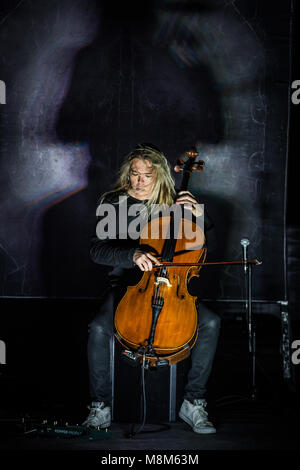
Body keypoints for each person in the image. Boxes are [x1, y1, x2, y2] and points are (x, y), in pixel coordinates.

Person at [83, 144, 220, 434]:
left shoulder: (174, 202)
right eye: (135, 174)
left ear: (160, 176)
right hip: (129, 288)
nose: (140, 182)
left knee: (210, 322)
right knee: (98, 328)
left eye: (148, 176)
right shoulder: (114, 202)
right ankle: (100, 406)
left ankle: (193, 401)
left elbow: (197, 244)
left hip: (173, 289)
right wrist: (132, 254)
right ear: (128, 174)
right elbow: (97, 250)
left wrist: (199, 216)